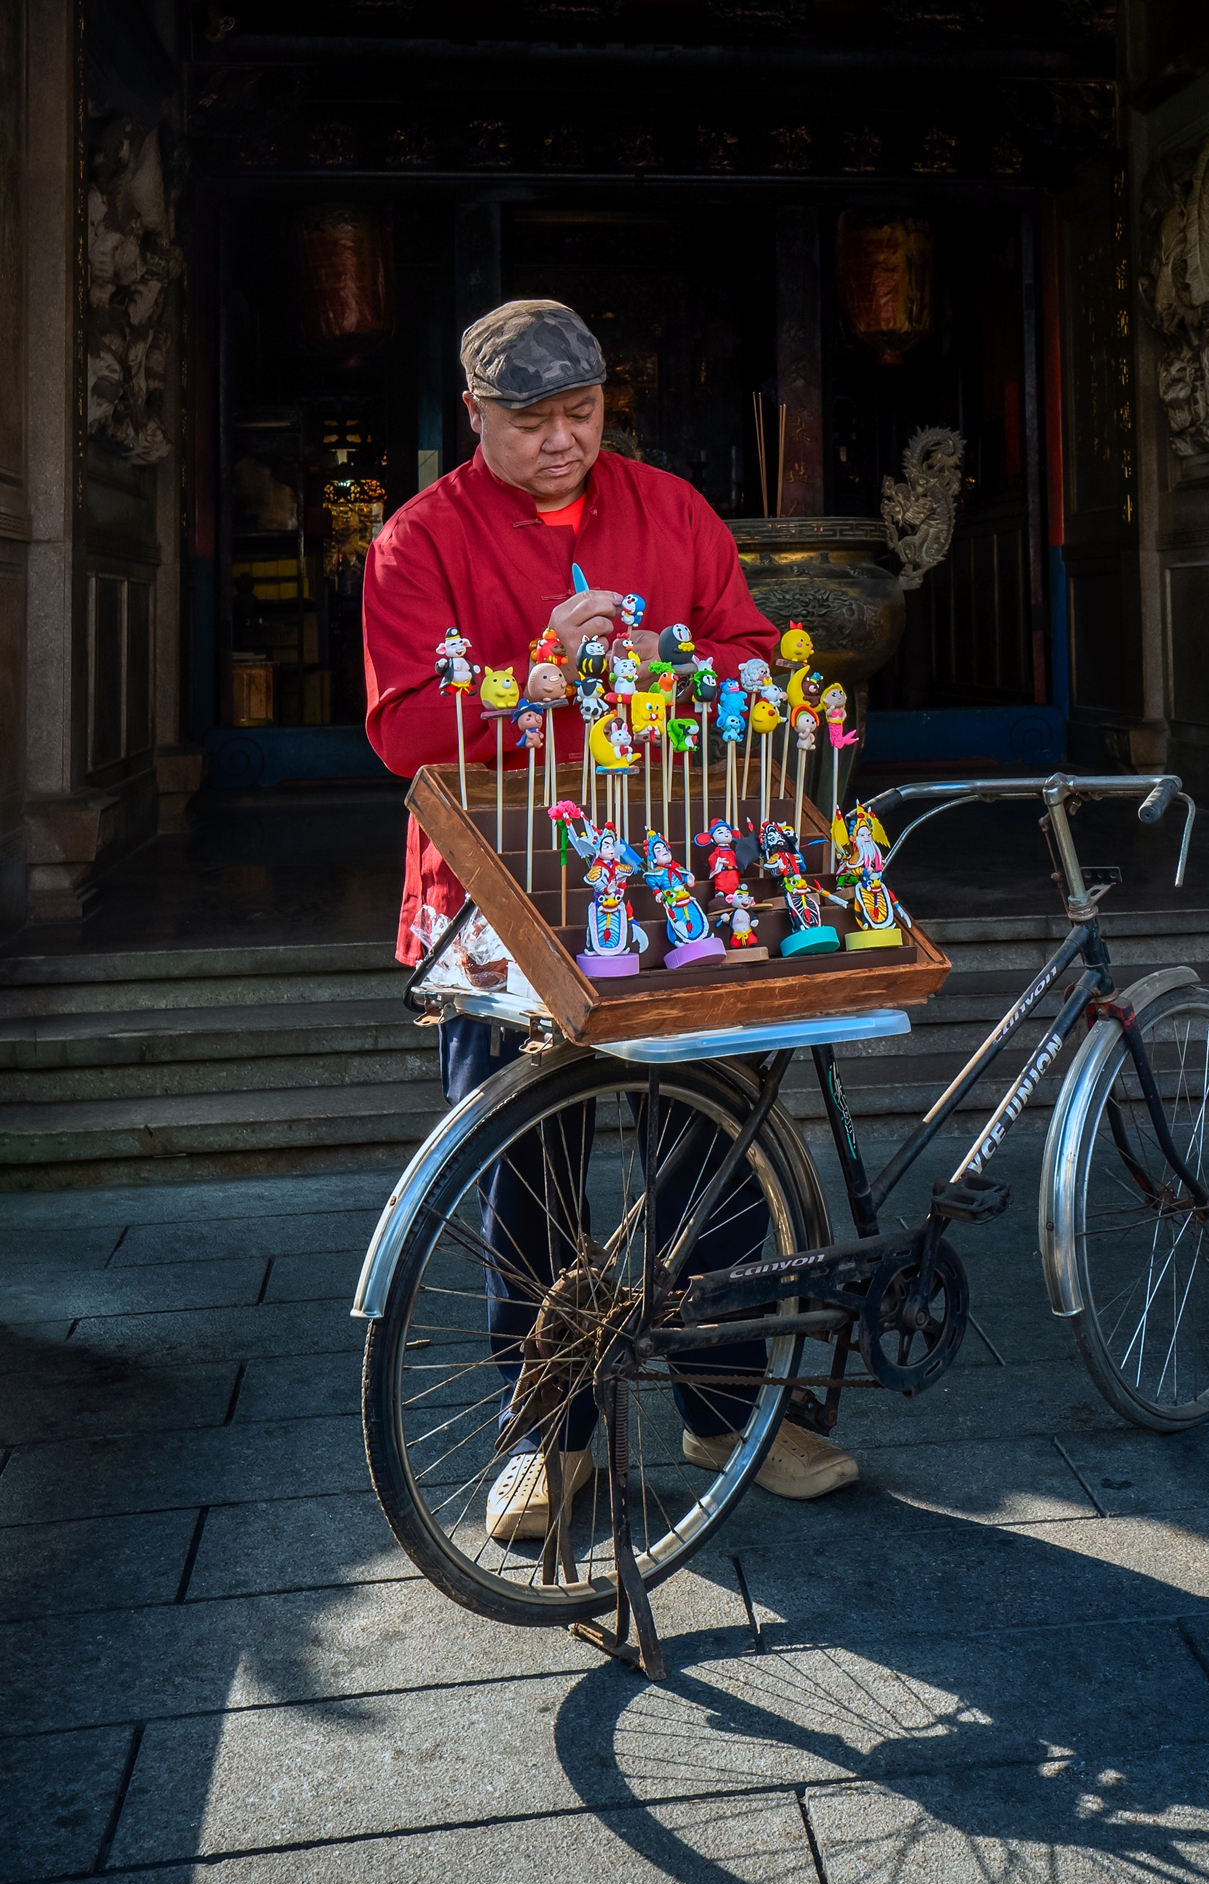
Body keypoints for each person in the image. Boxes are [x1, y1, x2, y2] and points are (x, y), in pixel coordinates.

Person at [363, 299, 858, 1537]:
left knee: (713, 1151)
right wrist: (538, 671)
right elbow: (402, 729)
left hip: (670, 881)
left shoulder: (672, 511)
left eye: (580, 415)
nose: (560, 442)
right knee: (525, 1175)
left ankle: (728, 1411)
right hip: (501, 889)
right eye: (530, 421)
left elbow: (749, 648)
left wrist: (681, 661)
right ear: (474, 415)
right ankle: (549, 1436)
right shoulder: (420, 539)